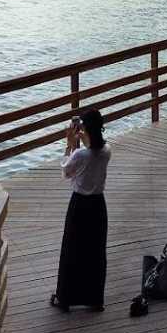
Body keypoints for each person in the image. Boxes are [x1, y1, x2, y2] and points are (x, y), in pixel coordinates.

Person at [51, 109, 111, 312]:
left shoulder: (79, 153)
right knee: (95, 252)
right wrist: (82, 138)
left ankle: (65, 298)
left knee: (72, 250)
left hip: (79, 205)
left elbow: (66, 172)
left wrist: (69, 144)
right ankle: (95, 299)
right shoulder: (107, 151)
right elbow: (92, 150)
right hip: (98, 205)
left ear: (83, 128)